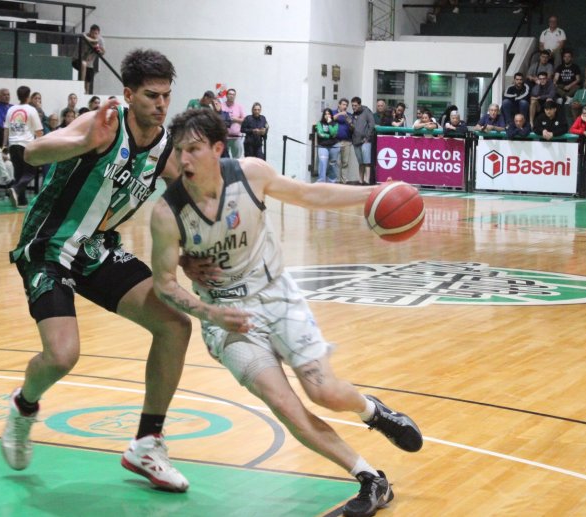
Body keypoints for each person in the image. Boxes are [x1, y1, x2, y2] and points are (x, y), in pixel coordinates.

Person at [150, 107, 422, 517]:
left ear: (218, 148)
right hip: (227, 318)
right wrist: (209, 313)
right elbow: (164, 284)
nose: (184, 159)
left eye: (194, 149)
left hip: (277, 297)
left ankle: (373, 411)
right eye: (179, 150)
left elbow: (310, 194)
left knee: (324, 393)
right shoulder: (167, 212)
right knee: (286, 406)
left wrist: (376, 192)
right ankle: (370, 478)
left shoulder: (250, 174)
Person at [0, 49, 193, 493]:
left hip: (96, 250)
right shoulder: (101, 123)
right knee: (62, 356)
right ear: (128, 94)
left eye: (166, 95)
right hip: (48, 247)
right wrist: (82, 143)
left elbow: (185, 196)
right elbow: (32, 154)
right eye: (151, 95)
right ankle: (24, 405)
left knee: (175, 325)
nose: (161, 104)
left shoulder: (164, 148)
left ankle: (147, 443)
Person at [5, 86, 43, 208]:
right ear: (28, 97)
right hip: (26, 144)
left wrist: (4, 145)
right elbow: (39, 131)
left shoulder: (11, 110)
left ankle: (21, 201)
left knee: (19, 173)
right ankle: (16, 189)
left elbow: (6, 129)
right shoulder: (32, 110)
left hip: (12, 144)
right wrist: (41, 145)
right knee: (31, 171)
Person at [350, 96, 375, 184]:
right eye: (352, 106)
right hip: (356, 141)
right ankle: (361, 180)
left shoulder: (367, 112)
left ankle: (367, 180)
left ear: (360, 105)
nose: (354, 107)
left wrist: (367, 137)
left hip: (365, 141)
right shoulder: (353, 114)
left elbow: (372, 125)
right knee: (360, 162)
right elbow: (354, 128)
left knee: (366, 161)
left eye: (355, 105)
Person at [314, 108, 339, 183]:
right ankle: (321, 181)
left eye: (329, 114)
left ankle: (332, 181)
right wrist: (329, 136)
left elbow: (333, 133)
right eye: (325, 114)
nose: (327, 115)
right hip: (323, 146)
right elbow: (320, 134)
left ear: (331, 115)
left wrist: (330, 123)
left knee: (333, 164)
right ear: (323, 115)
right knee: (323, 162)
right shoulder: (320, 123)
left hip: (334, 146)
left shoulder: (335, 124)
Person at [79, 24, 105, 95]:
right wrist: (86, 37)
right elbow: (84, 36)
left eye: (96, 33)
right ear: (90, 32)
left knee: (88, 78)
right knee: (84, 65)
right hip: (80, 58)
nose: (94, 35)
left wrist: (98, 51)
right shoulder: (85, 35)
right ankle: (81, 85)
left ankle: (86, 92)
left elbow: (103, 51)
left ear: (98, 33)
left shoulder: (100, 40)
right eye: (92, 33)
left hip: (90, 62)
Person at [221, 88, 245, 158]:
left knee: (237, 159)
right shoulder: (221, 106)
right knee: (224, 159)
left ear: (235, 96)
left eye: (233, 95)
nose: (231, 96)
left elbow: (245, 120)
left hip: (236, 137)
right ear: (226, 95)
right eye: (230, 94)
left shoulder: (239, 107)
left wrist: (236, 119)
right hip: (224, 137)